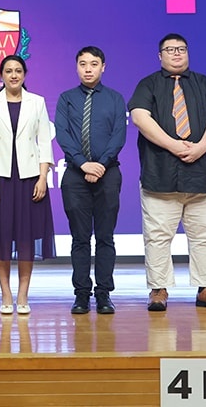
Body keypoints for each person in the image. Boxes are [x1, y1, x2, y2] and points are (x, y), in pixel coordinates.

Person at [128, 33, 206, 311]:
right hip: (160, 173)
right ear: (159, 55)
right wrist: (174, 145)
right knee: (157, 237)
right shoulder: (148, 84)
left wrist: (201, 147)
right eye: (170, 49)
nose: (176, 53)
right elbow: (139, 117)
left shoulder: (204, 83)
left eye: (181, 49)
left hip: (200, 173)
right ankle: (159, 289)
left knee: (205, 236)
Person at [0, 55, 55, 314]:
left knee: (26, 237)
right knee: (1, 237)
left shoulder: (37, 102)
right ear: (1, 75)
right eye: (8, 71)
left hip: (29, 178)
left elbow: (44, 142)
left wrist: (43, 177)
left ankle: (23, 294)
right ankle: (6, 293)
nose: (13, 75)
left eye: (18, 70)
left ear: (25, 74)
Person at [55, 46, 126, 315]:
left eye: (93, 64)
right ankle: (81, 294)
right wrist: (83, 164)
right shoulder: (66, 99)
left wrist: (100, 165)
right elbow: (62, 134)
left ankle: (104, 294)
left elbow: (118, 136)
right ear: (76, 67)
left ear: (103, 67)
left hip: (108, 174)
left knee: (105, 237)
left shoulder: (115, 99)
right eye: (83, 64)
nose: (88, 69)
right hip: (75, 175)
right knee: (80, 238)